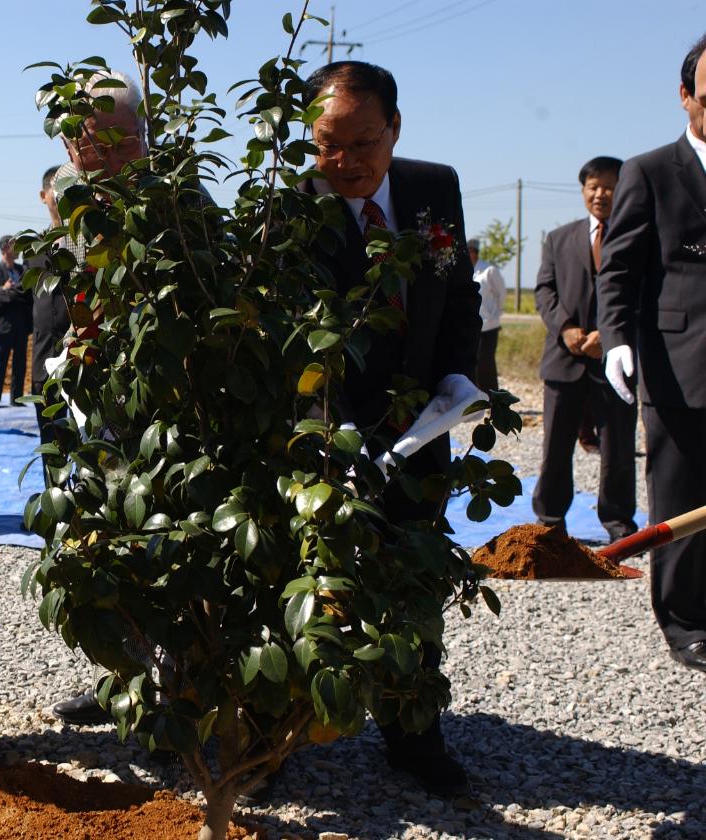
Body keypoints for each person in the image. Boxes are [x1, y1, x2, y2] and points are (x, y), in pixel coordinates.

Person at [305, 60, 482, 798]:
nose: (342, 162)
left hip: (420, 426)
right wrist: (328, 441)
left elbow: (455, 292)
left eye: (361, 143)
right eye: (325, 145)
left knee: (413, 582)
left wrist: (458, 377)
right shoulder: (290, 208)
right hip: (326, 438)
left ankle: (413, 737)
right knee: (315, 586)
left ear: (394, 129)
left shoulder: (433, 187)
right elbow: (288, 344)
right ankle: (284, 735)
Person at [597, 34, 706, 673]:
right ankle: (686, 621)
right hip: (679, 360)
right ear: (685, 95)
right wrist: (616, 340)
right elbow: (618, 270)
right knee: (681, 492)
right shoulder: (650, 170)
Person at [47, 72, 152, 729]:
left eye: (125, 142)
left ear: (146, 139)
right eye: (93, 143)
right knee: (98, 538)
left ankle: (186, 694)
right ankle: (123, 678)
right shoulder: (69, 199)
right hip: (92, 402)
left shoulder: (180, 202)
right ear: (68, 144)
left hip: (165, 407)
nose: (110, 158)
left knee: (164, 542)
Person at [534, 156, 637, 542]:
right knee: (556, 448)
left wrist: (608, 337)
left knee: (618, 450)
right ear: (583, 191)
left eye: (609, 186)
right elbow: (544, 291)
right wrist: (567, 329)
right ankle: (550, 522)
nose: (600, 194)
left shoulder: (637, 237)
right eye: (593, 186)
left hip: (617, 359)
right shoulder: (559, 238)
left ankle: (619, 524)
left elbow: (644, 294)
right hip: (564, 360)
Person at [31, 166, 72, 454]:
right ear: (43, 196)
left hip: (81, 357)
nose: (58, 195)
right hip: (45, 359)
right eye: (53, 189)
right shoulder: (34, 249)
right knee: (52, 444)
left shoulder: (87, 240)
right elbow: (23, 298)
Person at [0, 234, 32, 409]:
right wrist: (2, 289)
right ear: (4, 249)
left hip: (21, 325)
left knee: (20, 364)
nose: (17, 250)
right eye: (13, 246)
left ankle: (17, 399)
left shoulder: (23, 270)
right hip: (2, 325)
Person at [468, 239, 505, 392]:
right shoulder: (466, 270)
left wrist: (494, 314)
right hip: (471, 325)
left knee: (485, 363)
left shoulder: (489, 270)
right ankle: (476, 399)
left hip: (488, 325)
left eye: (470, 250)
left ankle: (493, 397)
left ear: (475, 252)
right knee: (471, 363)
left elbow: (501, 294)